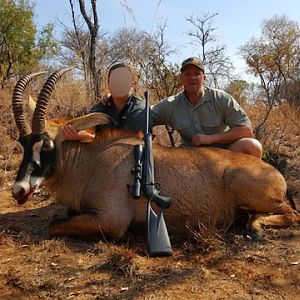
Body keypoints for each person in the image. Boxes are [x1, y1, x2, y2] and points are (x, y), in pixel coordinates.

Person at [151, 57, 262, 158]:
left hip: (223, 154)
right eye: (188, 74)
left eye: (197, 74)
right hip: (189, 156)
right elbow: (145, 115)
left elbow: (246, 130)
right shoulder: (171, 104)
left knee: (252, 146)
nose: (192, 77)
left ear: (204, 78)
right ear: (181, 78)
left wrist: (210, 139)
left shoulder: (221, 98)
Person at [63, 63, 146, 141]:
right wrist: (75, 133)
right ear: (108, 84)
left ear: (132, 84)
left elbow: (125, 144)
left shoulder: (140, 110)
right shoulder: (103, 105)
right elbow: (87, 125)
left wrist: (88, 138)